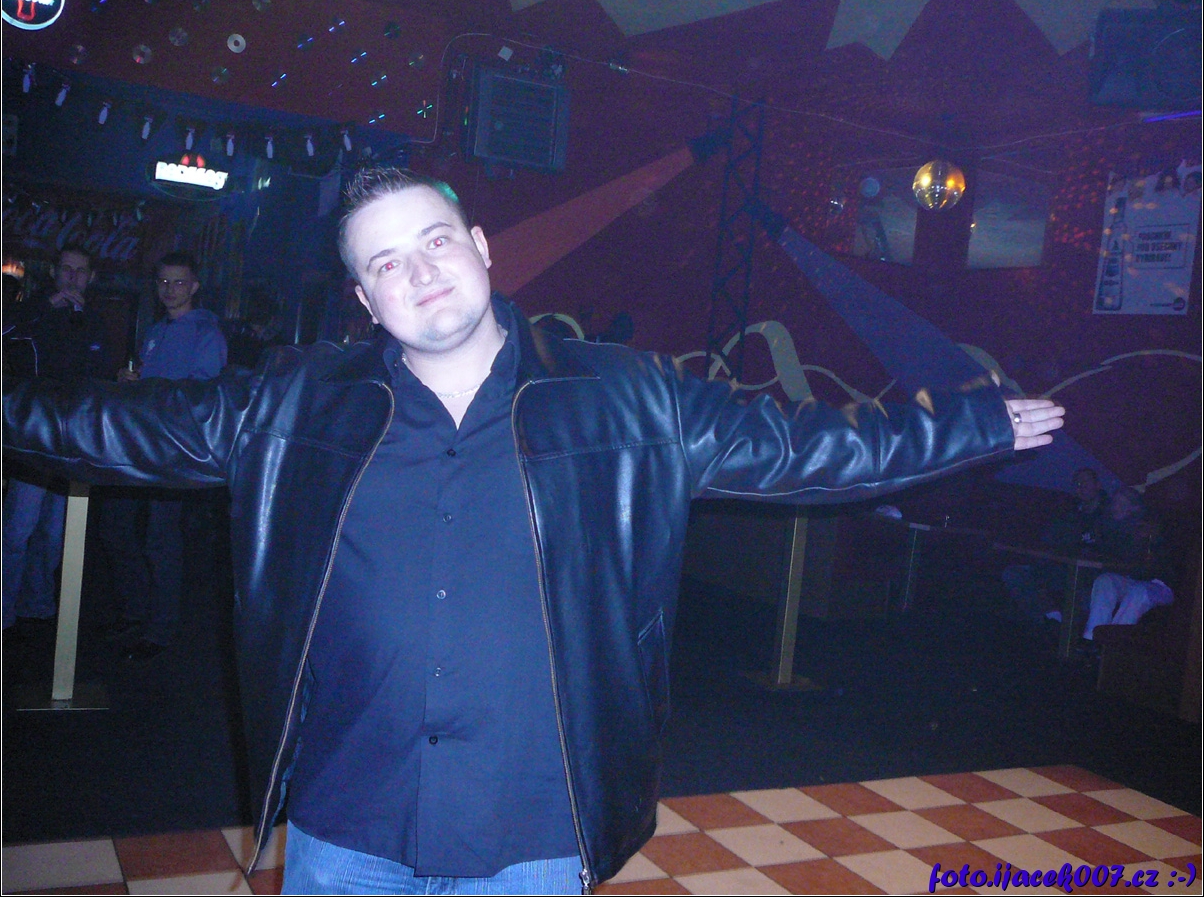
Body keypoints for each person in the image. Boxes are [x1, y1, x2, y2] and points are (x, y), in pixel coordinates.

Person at [3, 168, 1065, 894]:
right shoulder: (293, 404)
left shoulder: (626, 399)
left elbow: (808, 448)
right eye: (386, 263)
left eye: (434, 242)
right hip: (344, 824)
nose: (419, 271)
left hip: (531, 835)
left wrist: (968, 424)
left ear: (479, 248)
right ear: (364, 300)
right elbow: (109, 425)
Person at [97, 253, 227, 661]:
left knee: (161, 539)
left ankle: (159, 630)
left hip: (173, 451)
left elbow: (203, 396)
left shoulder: (207, 333)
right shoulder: (156, 331)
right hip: (137, 444)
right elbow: (151, 384)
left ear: (194, 286)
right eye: (163, 282)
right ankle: (136, 613)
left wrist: (152, 388)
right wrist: (131, 382)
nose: (170, 289)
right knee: (115, 529)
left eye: (178, 282)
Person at [2, 248, 109, 636]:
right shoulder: (33, 310)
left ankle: (37, 605)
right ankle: (4, 610)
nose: (73, 278)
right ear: (54, 272)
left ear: (90, 277)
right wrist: (48, 305)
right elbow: (5, 331)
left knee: (53, 531)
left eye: (81, 272)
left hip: (71, 439)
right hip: (33, 435)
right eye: (67, 269)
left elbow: (102, 370)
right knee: (18, 529)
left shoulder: (93, 320)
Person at [1002, 467, 1110, 623]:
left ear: (1098, 484)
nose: (1081, 487)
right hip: (1062, 567)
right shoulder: (1070, 512)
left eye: (1086, 482)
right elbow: (1050, 538)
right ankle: (1050, 619)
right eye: (1078, 483)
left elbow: (1110, 546)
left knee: (1082, 592)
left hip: (1091, 574)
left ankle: (1060, 623)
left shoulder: (1110, 512)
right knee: (1014, 574)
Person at [1082, 487, 1174, 642]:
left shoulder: (1147, 527)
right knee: (1105, 581)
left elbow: (1147, 562)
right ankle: (1091, 639)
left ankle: (1113, 645)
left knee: (1138, 592)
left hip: (1160, 585)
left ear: (1134, 508)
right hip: (1132, 580)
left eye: (1121, 504)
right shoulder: (1110, 527)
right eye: (1114, 503)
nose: (1115, 507)